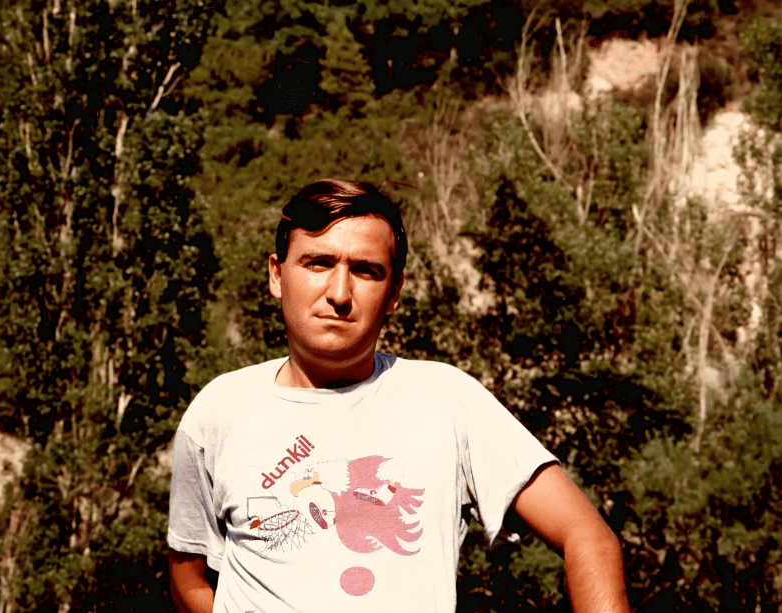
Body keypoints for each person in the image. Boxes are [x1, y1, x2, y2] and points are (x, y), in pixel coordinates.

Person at [167, 179, 629, 613]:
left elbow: (587, 536)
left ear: (393, 293)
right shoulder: (218, 411)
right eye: (318, 263)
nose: (340, 293)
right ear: (276, 275)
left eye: (366, 271)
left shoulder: (446, 400)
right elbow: (188, 577)